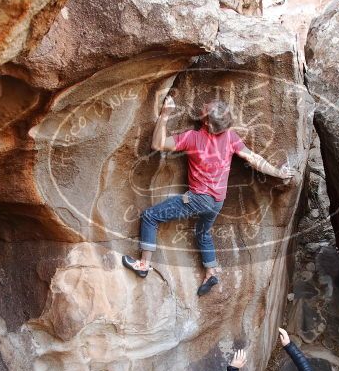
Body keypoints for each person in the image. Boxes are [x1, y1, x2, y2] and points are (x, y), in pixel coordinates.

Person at [122, 96, 296, 296]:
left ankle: (144, 265)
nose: (205, 104)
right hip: (217, 202)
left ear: (206, 122)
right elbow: (253, 158)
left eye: (207, 107)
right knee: (203, 233)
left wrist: (165, 114)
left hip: (198, 199)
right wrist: (278, 172)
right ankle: (211, 272)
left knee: (150, 216)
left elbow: (158, 144)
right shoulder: (231, 137)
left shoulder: (193, 138)